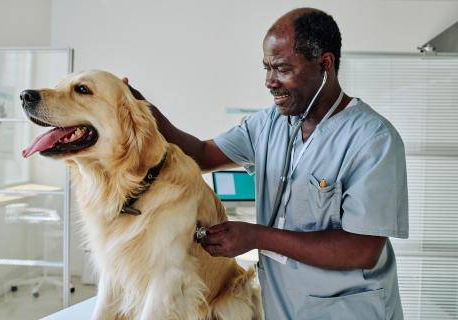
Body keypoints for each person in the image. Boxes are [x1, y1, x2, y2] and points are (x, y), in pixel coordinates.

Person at [126, 7, 408, 320]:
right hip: (285, 308)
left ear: (325, 64)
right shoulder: (272, 123)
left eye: (282, 69)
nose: (269, 81)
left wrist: (256, 236)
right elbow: (203, 154)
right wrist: (142, 109)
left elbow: (362, 250)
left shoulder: (372, 139)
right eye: (267, 68)